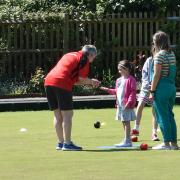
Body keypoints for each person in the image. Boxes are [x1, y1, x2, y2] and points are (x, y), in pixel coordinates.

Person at [44, 45, 100, 151]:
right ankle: (68, 144)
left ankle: (60, 143)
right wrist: (92, 81)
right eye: (94, 57)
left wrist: (89, 83)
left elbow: (76, 80)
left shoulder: (70, 54)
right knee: (68, 114)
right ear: (90, 54)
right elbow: (81, 79)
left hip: (48, 81)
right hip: (61, 83)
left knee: (57, 115)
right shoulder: (84, 59)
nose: (93, 59)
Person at [149, 31, 178, 150]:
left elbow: (156, 75)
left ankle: (166, 143)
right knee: (170, 115)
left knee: (162, 116)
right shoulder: (172, 54)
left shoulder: (159, 55)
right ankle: (174, 144)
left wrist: (152, 91)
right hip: (171, 87)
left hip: (161, 88)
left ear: (156, 42)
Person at [100, 60, 136, 147]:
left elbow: (132, 92)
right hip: (120, 105)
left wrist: (129, 102)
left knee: (126, 122)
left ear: (127, 69)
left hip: (126, 104)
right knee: (123, 122)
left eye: (121, 69)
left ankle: (128, 141)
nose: (119, 71)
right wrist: (107, 90)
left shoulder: (131, 79)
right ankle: (127, 139)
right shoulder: (119, 80)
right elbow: (116, 91)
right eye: (119, 70)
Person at [131, 46, 160, 141]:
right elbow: (144, 74)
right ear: (153, 51)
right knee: (140, 106)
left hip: (156, 89)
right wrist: (148, 84)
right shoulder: (149, 61)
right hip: (146, 89)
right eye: (156, 51)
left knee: (155, 110)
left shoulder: (161, 61)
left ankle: (154, 132)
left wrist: (154, 86)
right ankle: (136, 128)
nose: (158, 52)